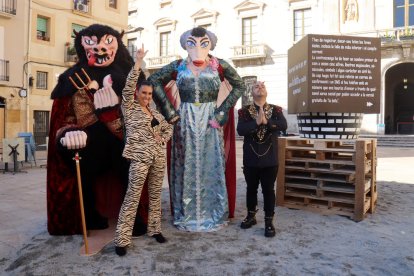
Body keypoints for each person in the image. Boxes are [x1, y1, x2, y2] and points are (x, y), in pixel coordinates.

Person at [47, 24, 147, 235]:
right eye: (92, 43)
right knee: (83, 173)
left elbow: (143, 115)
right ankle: (87, 216)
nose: (100, 49)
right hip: (88, 142)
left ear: (116, 45)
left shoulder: (130, 76)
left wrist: (114, 115)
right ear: (83, 46)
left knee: (130, 170)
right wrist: (67, 133)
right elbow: (63, 117)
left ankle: (133, 216)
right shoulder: (71, 78)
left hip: (121, 140)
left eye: (107, 42)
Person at [148, 27, 245, 232]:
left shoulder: (219, 65)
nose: (198, 48)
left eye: (203, 43)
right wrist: (169, 111)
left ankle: (212, 212)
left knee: (211, 163)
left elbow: (240, 85)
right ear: (186, 45)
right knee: (186, 163)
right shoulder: (178, 66)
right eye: (192, 43)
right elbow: (153, 81)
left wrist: (222, 111)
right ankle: (187, 213)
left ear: (209, 44)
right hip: (185, 120)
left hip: (211, 119)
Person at [114, 46, 173, 256]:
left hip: (158, 156)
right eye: (144, 93)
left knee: (156, 195)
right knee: (133, 195)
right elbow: (128, 86)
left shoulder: (154, 110)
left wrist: (162, 137)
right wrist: (138, 62)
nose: (147, 97)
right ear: (138, 93)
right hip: (139, 157)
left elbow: (168, 127)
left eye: (149, 94)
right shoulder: (129, 106)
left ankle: (154, 229)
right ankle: (122, 239)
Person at [237, 81, 287, 237]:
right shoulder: (243, 111)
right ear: (252, 92)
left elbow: (283, 125)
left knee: (268, 190)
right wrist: (256, 122)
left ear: (267, 92)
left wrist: (268, 122)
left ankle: (268, 221)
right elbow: (241, 130)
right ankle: (251, 216)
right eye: (256, 86)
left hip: (270, 158)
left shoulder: (276, 109)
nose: (260, 87)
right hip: (251, 158)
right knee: (251, 189)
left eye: (262, 86)